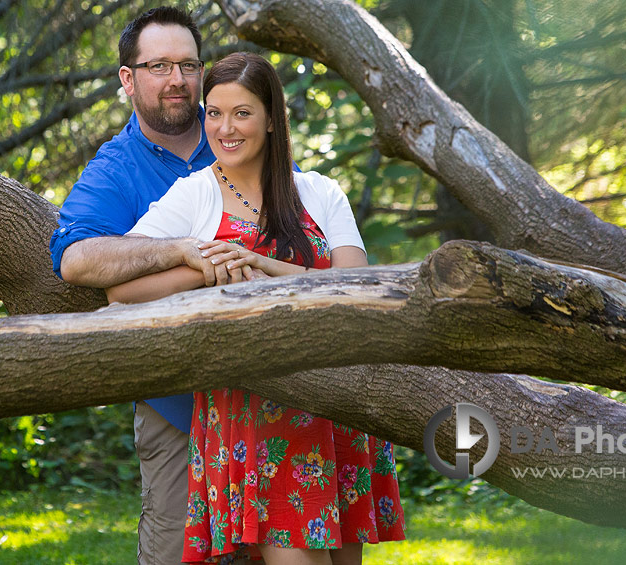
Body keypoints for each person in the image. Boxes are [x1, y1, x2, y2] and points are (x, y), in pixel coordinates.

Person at [107, 52, 405, 565]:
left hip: (336, 405)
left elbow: (356, 285)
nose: (225, 128)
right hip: (253, 415)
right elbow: (121, 290)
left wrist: (263, 267)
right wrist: (202, 268)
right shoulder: (193, 195)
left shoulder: (318, 191)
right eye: (214, 113)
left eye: (242, 113)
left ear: (271, 118)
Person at [50, 6, 254, 565]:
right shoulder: (117, 169)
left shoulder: (241, 141)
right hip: (175, 401)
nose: (177, 80)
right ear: (128, 78)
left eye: (187, 65)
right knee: (175, 553)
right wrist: (180, 250)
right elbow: (77, 259)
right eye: (158, 65)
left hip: (268, 392)